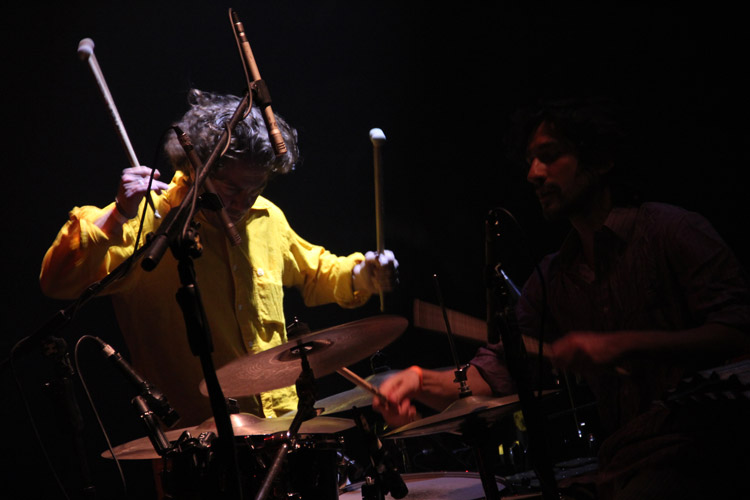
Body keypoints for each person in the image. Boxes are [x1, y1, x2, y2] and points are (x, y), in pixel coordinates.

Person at [373, 98, 750, 499]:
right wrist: (416, 380)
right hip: (620, 462)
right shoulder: (554, 278)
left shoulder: (671, 231)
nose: (534, 174)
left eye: (550, 157)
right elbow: (499, 370)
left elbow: (740, 330)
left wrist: (622, 345)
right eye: (530, 162)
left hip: (699, 452)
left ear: (600, 160)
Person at [39, 88, 398, 429]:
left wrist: (364, 273)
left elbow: (316, 272)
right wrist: (118, 214)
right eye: (231, 189)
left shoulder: (266, 217)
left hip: (285, 426)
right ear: (195, 167)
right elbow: (58, 282)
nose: (244, 202)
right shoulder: (147, 222)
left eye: (256, 188)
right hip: (199, 442)